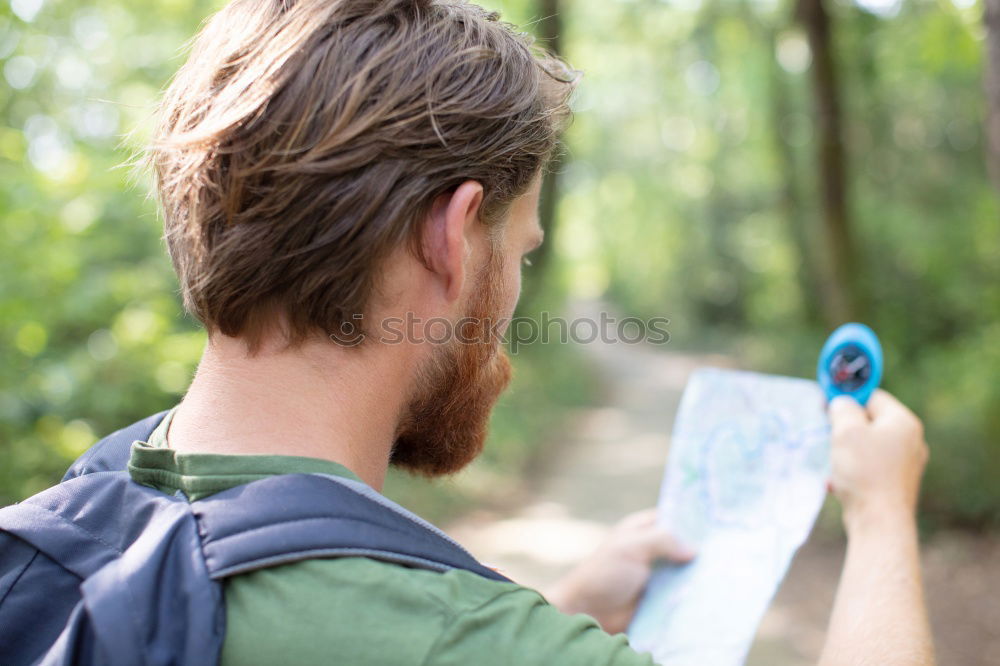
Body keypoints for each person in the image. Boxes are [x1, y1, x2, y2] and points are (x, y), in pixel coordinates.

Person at [7, 0, 935, 663]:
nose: (516, 291)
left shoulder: (52, 549)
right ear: (452, 239)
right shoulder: (462, 635)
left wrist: (562, 608)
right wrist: (881, 515)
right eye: (520, 250)